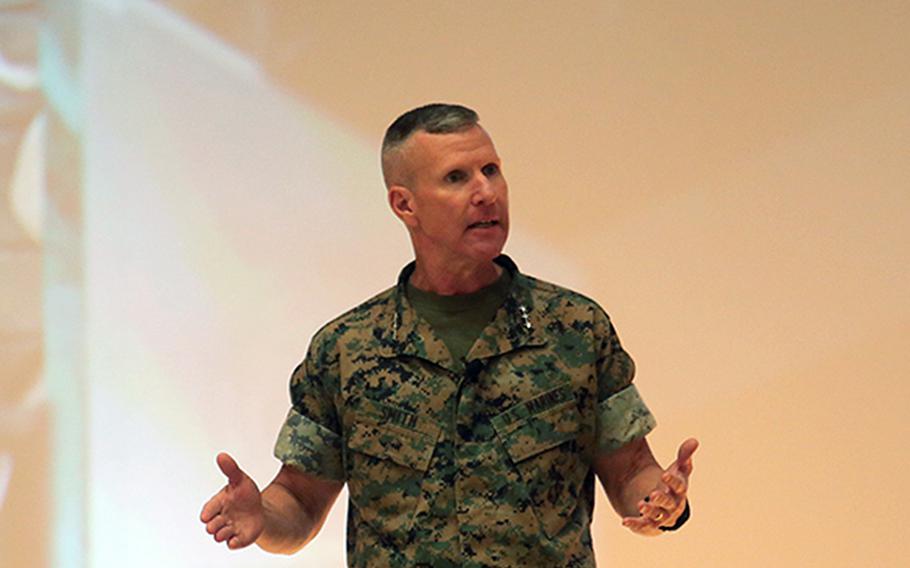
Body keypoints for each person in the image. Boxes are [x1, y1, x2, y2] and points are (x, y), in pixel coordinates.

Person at [200, 103, 698, 566]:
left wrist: (661, 503)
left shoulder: (575, 329)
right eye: (457, 178)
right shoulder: (347, 350)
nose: (486, 192)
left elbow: (632, 471)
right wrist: (262, 518)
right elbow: (301, 501)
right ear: (405, 204)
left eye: (491, 170)